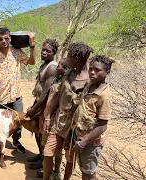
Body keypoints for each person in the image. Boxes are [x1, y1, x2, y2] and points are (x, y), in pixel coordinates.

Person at [42, 42, 93, 180]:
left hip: (75, 127)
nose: (66, 58)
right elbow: (58, 96)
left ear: (76, 59)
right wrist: (48, 117)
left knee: (70, 158)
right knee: (48, 153)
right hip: (59, 122)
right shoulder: (68, 74)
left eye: (69, 56)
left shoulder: (88, 82)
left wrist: (75, 130)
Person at [0, 27, 35, 154]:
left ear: (10, 38)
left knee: (18, 121)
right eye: (1, 39)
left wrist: (32, 45)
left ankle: (16, 141)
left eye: (6, 38)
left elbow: (32, 62)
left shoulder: (16, 52)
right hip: (0, 97)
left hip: (16, 96)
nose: (4, 41)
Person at [65, 55, 113, 180]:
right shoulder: (89, 85)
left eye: (97, 70)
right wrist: (71, 134)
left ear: (106, 72)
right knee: (84, 171)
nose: (92, 72)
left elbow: (103, 125)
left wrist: (83, 143)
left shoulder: (103, 95)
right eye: (91, 69)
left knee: (89, 173)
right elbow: (79, 111)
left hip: (90, 142)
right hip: (80, 135)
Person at [26, 39, 59, 170]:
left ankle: (45, 162)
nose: (44, 53)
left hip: (47, 106)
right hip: (40, 103)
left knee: (43, 133)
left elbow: (46, 93)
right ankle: (41, 155)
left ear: (54, 53)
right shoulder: (44, 65)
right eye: (43, 50)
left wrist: (34, 109)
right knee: (37, 131)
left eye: (48, 51)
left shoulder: (52, 67)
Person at [37, 59, 68, 178]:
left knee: (56, 150)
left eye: (59, 66)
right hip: (48, 116)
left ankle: (56, 172)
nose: (56, 67)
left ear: (65, 70)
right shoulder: (55, 80)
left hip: (55, 120)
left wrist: (49, 118)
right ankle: (47, 171)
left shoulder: (62, 84)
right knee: (46, 146)